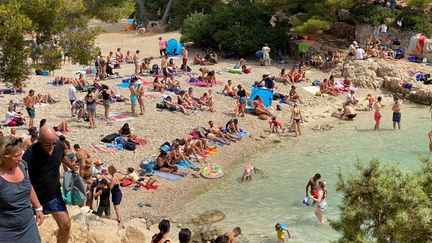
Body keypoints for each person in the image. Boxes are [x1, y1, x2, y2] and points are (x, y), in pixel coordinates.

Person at [24, 126, 74, 243]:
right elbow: (23, 176)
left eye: (54, 143)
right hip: (32, 198)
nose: (51, 147)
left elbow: (62, 156)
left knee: (65, 225)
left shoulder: (59, 146)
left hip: (53, 195)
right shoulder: (30, 154)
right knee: (27, 231)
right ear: (39, 140)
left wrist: (72, 167)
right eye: (48, 144)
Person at [0, 136, 44, 242]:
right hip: (5, 231)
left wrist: (38, 208)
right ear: (4, 156)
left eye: (21, 154)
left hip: (28, 225)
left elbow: (28, 186)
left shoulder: (22, 165)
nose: (20, 158)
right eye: (16, 156)